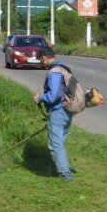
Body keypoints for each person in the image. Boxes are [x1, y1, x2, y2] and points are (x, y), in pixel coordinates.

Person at [32, 48, 74, 181]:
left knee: (55, 143)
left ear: (44, 57)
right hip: (68, 110)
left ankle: (65, 174)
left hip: (58, 111)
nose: (40, 63)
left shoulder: (54, 73)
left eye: (40, 60)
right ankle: (59, 168)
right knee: (60, 141)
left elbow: (54, 95)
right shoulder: (64, 68)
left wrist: (40, 98)